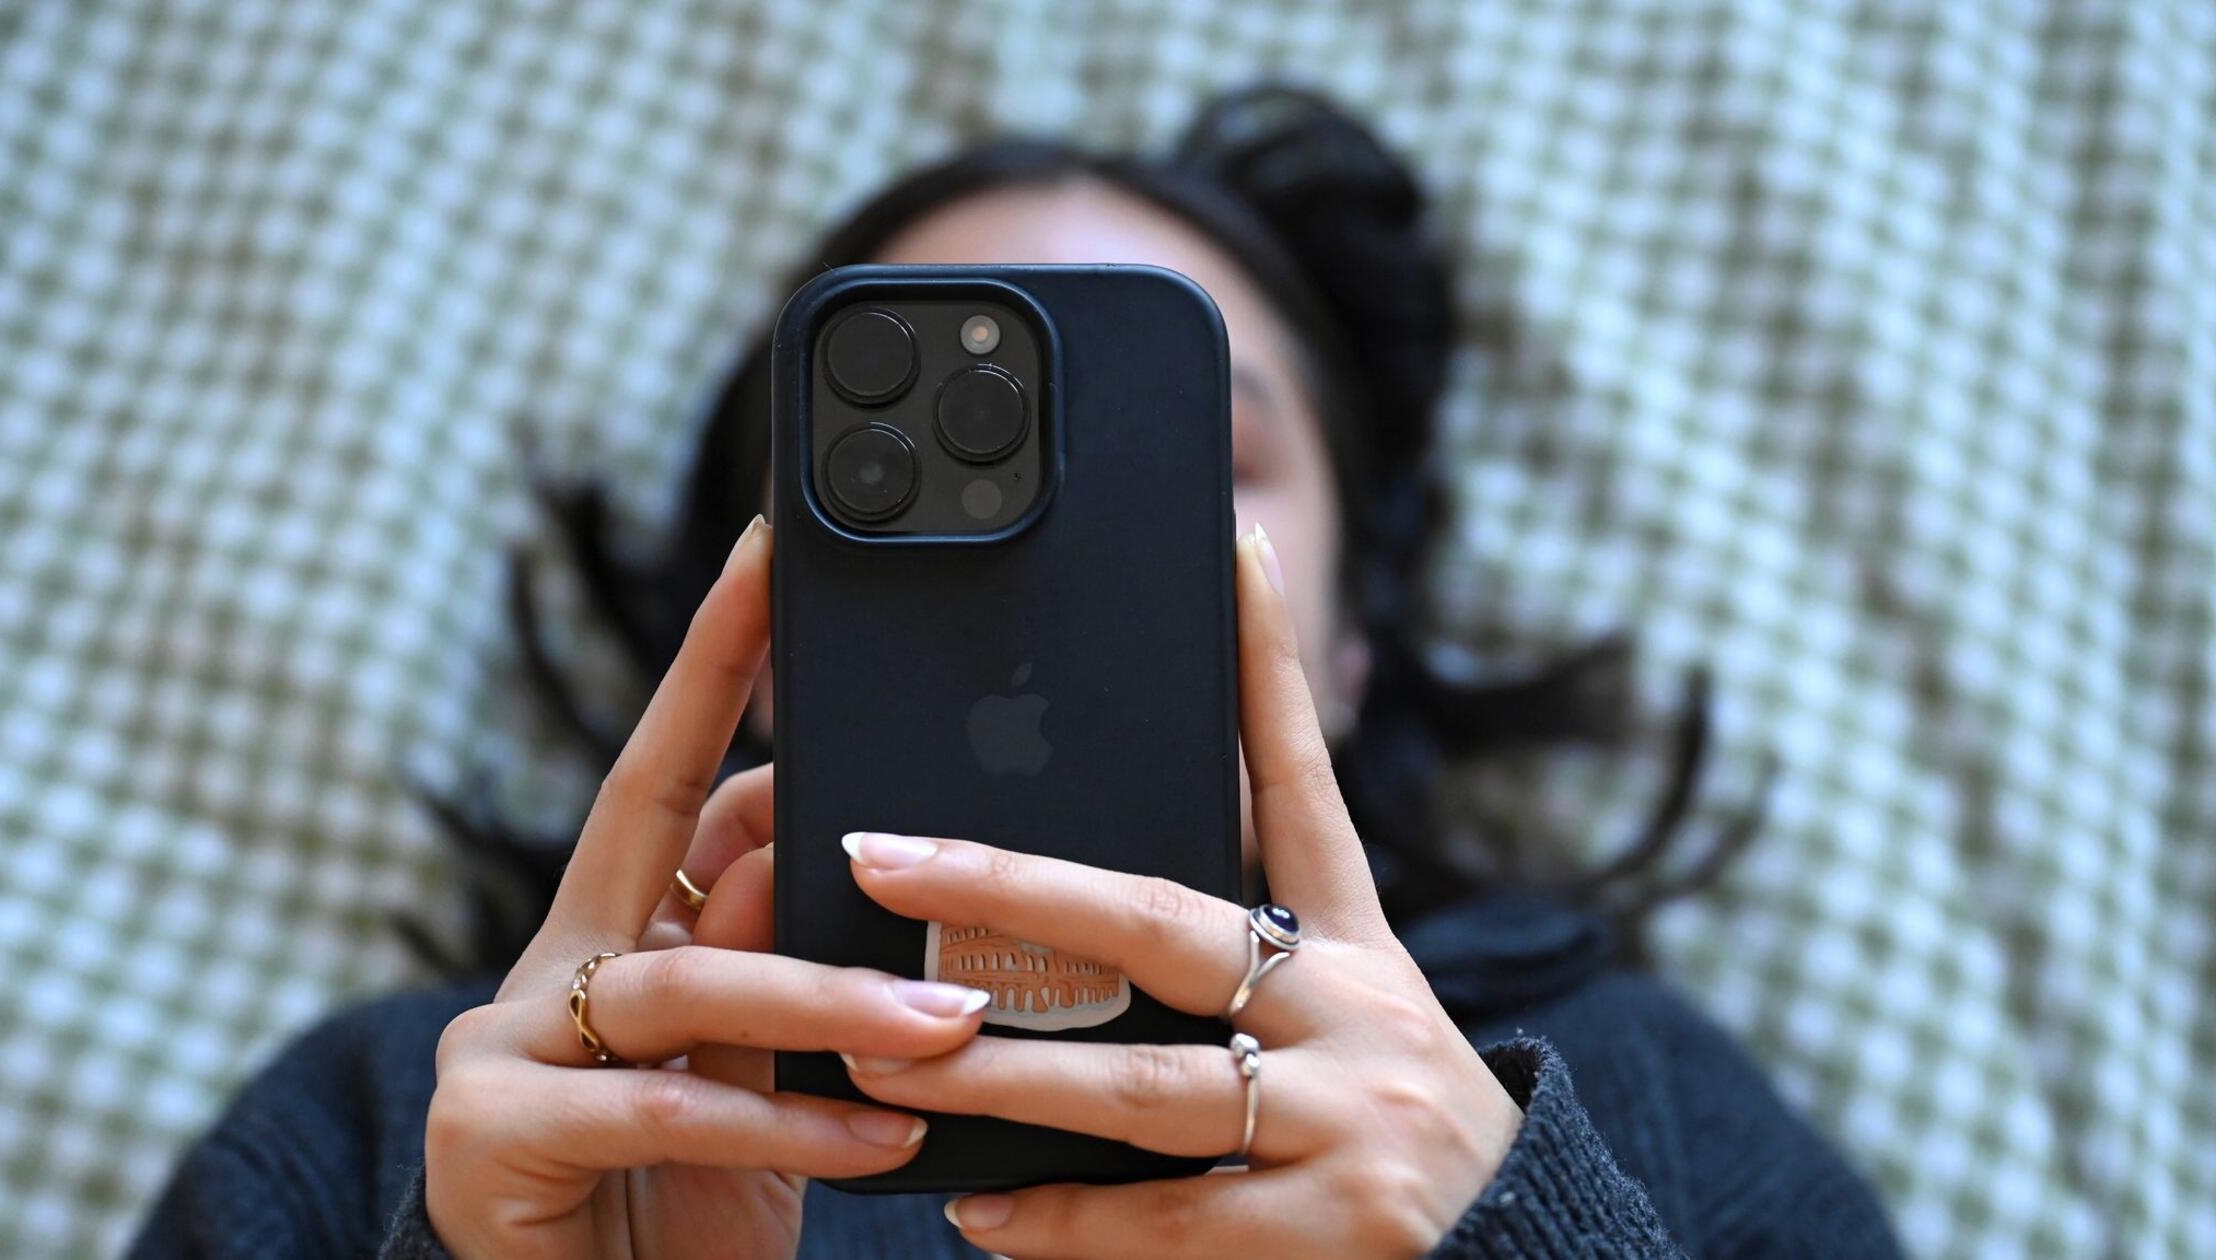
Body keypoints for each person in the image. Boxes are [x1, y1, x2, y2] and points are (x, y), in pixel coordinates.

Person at [133, 87, 1900, 1259]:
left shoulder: (1616, 1088)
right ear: (768, 640)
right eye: (896, 477)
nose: (1065, 571)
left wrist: (1511, 1231)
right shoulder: (414, 1116)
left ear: (1349, 650)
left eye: (1182, 457)